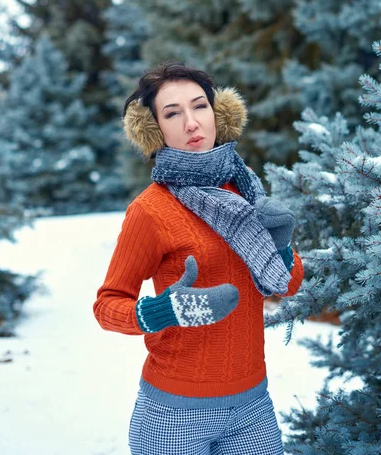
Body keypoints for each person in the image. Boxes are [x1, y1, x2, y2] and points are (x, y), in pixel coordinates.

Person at [93, 62, 304, 455]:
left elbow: (287, 283)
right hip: (173, 415)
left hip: (253, 407)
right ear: (154, 129)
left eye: (200, 106)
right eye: (173, 113)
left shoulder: (245, 188)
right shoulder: (150, 210)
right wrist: (164, 311)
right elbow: (107, 305)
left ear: (218, 113)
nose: (192, 123)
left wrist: (280, 245)